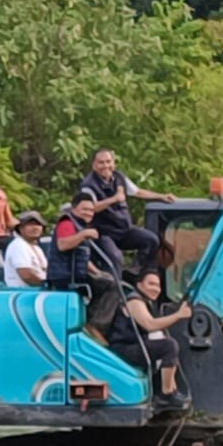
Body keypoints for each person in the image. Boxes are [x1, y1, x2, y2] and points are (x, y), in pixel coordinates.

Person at [79, 149, 176, 278]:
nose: (105, 166)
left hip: (124, 229)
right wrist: (114, 199)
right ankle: (114, 291)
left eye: (108, 161)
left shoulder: (119, 177)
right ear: (94, 165)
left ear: (113, 162)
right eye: (101, 162)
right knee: (116, 258)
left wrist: (162, 196)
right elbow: (90, 208)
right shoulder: (88, 185)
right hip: (104, 233)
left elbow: (138, 192)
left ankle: (135, 272)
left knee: (151, 240)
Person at [108, 269, 192, 410]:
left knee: (166, 343)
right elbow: (150, 324)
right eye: (151, 284)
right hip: (124, 348)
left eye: (158, 285)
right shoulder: (134, 301)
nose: (156, 289)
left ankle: (171, 390)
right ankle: (166, 394)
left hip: (133, 345)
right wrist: (179, 315)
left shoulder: (144, 301)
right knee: (169, 346)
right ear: (140, 285)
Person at [47, 193, 119, 334]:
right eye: (84, 209)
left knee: (111, 281)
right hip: (64, 276)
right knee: (111, 287)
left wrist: (98, 272)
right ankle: (94, 324)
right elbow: (63, 245)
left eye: (91, 210)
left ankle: (91, 320)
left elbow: (82, 257)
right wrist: (84, 234)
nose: (89, 213)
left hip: (76, 273)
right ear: (74, 209)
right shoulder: (67, 223)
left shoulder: (80, 226)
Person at [3, 211, 47, 288]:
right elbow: (26, 276)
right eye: (30, 224)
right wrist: (47, 285)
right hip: (23, 293)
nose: (35, 227)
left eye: (38, 224)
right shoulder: (18, 245)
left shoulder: (37, 248)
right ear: (20, 229)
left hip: (37, 291)